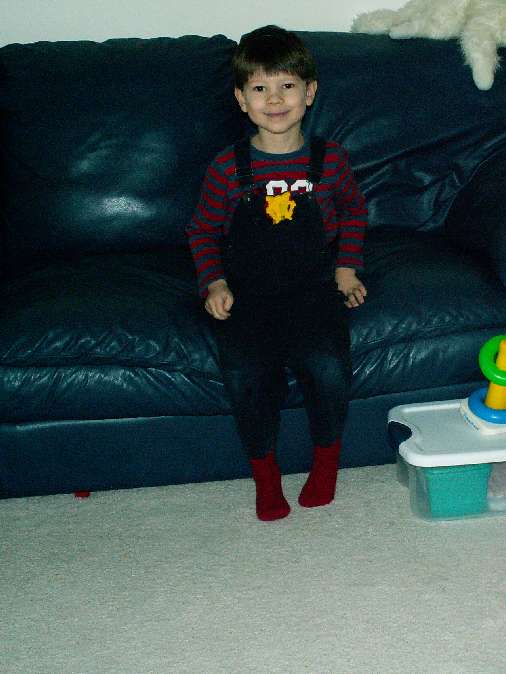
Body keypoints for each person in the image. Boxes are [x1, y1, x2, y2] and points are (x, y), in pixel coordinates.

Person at [185, 25, 367, 521]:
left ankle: (325, 464)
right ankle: (265, 476)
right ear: (241, 99)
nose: (274, 99)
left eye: (287, 85)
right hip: (248, 294)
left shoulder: (331, 161)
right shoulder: (227, 167)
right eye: (260, 88)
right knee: (245, 374)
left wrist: (347, 268)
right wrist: (215, 283)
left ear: (309, 92)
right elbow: (202, 231)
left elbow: (353, 213)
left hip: (314, 289)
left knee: (328, 366)